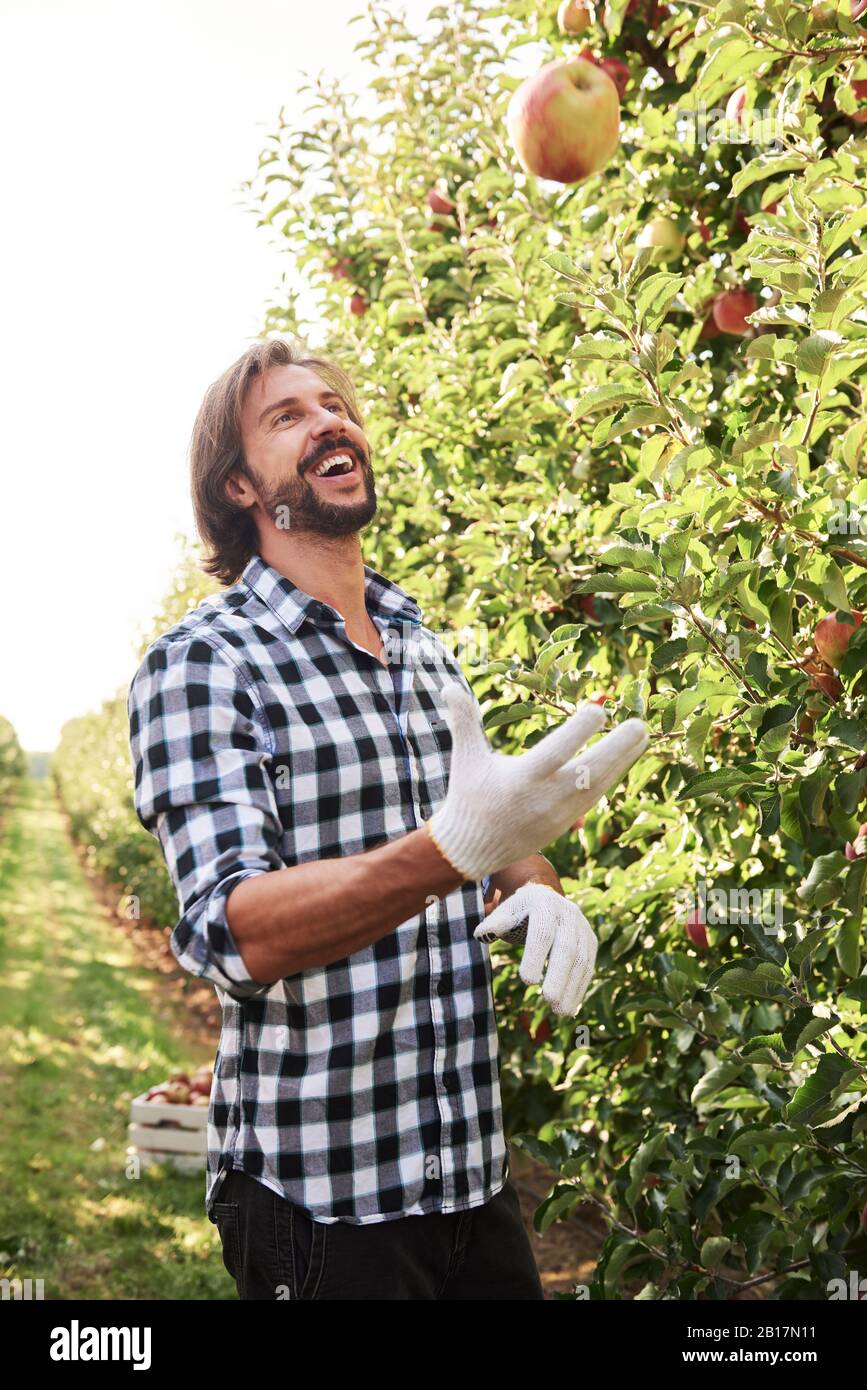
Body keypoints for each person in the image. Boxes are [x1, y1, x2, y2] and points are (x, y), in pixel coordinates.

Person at [127, 337, 649, 1300]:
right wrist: (450, 851)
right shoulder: (205, 664)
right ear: (240, 486)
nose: (330, 420)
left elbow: (486, 834)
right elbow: (231, 931)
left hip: (467, 1174)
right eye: (286, 416)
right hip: (322, 1200)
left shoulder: (421, 649)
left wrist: (533, 885)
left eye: (334, 405)